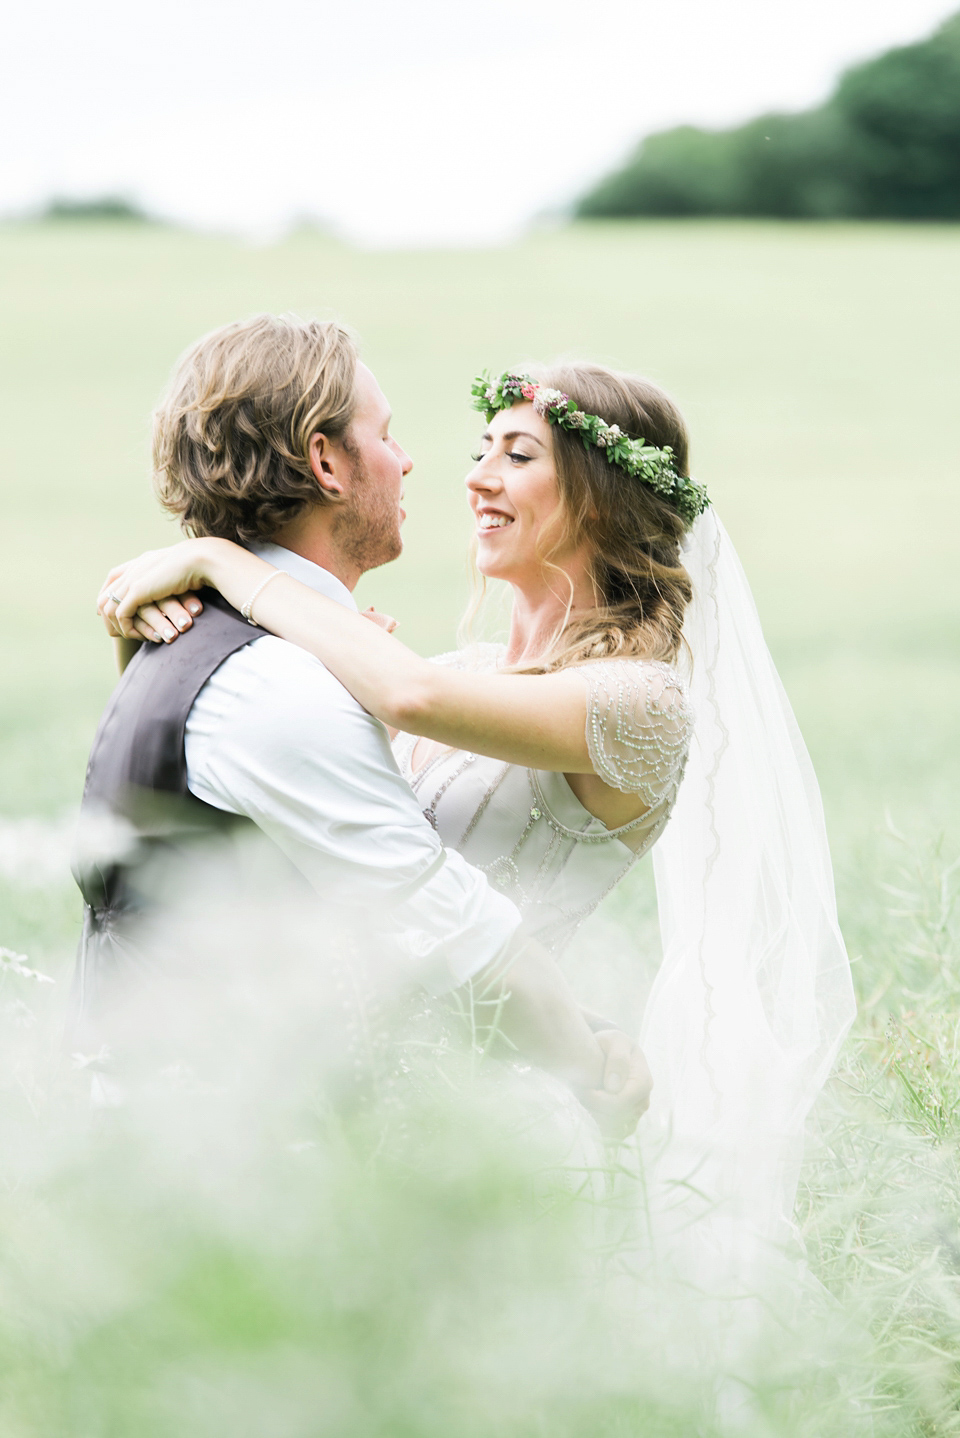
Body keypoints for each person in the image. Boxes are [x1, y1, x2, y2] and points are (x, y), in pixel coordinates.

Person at [102, 352, 857, 1306]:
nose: (475, 476)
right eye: (479, 449)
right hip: (361, 1101)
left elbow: (407, 698)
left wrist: (218, 561)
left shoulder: (640, 704)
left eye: (517, 454)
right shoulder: (463, 667)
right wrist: (163, 629)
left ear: (597, 496)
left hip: (502, 1104)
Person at [75, 316, 651, 1134]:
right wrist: (593, 1067)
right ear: (325, 461)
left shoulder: (207, 642)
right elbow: (452, 932)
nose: (411, 461)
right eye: (387, 435)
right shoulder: (275, 682)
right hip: (223, 1147)